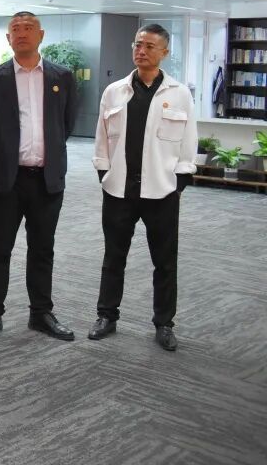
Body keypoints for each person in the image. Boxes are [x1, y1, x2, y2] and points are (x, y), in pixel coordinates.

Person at [89, 24, 195, 351]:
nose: (141, 51)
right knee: (113, 257)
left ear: (164, 52)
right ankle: (106, 315)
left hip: (161, 192)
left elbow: (188, 141)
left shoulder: (179, 93)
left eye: (149, 46)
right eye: (138, 44)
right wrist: (104, 172)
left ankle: (164, 323)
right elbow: (102, 138)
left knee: (164, 262)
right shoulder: (115, 91)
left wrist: (179, 180)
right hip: (119, 190)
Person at [0, 11, 78, 342]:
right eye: (15, 29)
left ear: (41, 35)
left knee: (42, 248)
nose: (22, 33)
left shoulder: (62, 77)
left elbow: (66, 125)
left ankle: (41, 313)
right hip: (7, 180)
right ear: (8, 39)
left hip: (46, 180)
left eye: (28, 28)